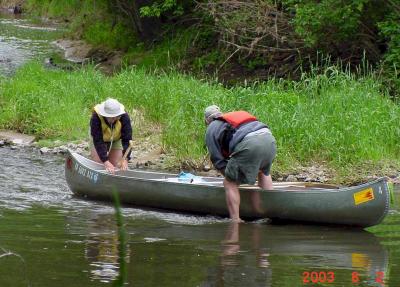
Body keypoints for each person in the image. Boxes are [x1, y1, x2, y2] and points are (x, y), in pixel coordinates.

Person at [204, 105, 276, 222]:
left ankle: (235, 220)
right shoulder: (231, 120)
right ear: (221, 114)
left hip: (250, 143)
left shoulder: (211, 127)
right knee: (263, 172)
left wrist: (231, 177)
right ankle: (270, 212)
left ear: (207, 120)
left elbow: (218, 160)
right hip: (269, 139)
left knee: (229, 183)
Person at [90, 98, 133, 174]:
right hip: (100, 139)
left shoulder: (124, 117)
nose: (113, 119)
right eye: (111, 117)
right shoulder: (95, 118)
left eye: (115, 117)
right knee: (99, 164)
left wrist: (125, 159)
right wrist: (105, 161)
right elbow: (98, 140)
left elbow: (127, 139)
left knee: (116, 166)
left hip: (116, 138)